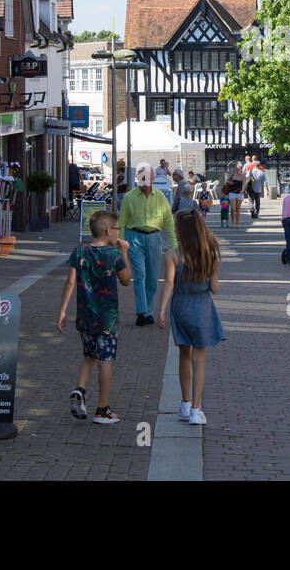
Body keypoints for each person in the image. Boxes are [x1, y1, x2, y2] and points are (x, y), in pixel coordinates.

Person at [56, 210, 132, 424]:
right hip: (107, 319)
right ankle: (102, 409)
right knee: (105, 361)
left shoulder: (79, 252)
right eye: (117, 230)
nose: (118, 233)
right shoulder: (113, 255)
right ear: (109, 231)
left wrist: (62, 311)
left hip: (84, 316)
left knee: (89, 355)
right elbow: (126, 280)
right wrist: (124, 251)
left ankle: (79, 390)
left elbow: (70, 282)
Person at [158, 209, 225, 426]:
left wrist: (161, 309)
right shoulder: (209, 253)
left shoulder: (172, 256)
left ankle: (184, 403)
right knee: (200, 358)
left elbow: (169, 284)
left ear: (180, 231)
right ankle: (197, 409)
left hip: (180, 305)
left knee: (184, 354)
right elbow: (214, 288)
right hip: (202, 306)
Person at [118, 162, 178, 326]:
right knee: (140, 274)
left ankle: (149, 312)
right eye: (142, 178)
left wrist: (173, 245)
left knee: (152, 277)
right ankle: (141, 312)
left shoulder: (160, 197)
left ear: (153, 178)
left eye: (148, 177)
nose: (145, 181)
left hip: (154, 237)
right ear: (138, 178)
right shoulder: (129, 197)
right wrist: (121, 244)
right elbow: (122, 222)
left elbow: (168, 222)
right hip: (134, 237)